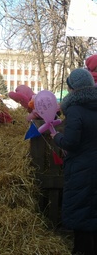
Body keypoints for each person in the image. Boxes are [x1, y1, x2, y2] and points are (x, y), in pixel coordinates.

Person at [51, 68, 97, 255]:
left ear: (72, 89)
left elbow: (70, 142)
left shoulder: (75, 110)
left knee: (82, 212)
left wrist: (56, 137)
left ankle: (82, 250)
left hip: (82, 170)